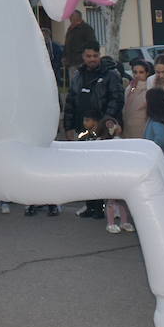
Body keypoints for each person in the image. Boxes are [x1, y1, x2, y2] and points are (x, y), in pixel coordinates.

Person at [62, 42, 124, 219]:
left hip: (104, 132)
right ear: (83, 57)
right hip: (83, 131)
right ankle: (91, 206)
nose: (92, 60)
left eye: (95, 56)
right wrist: (68, 127)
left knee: (105, 169)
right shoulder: (77, 76)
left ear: (99, 55)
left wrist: (104, 124)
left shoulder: (111, 75)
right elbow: (70, 103)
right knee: (86, 170)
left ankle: (108, 207)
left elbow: (117, 100)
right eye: (88, 56)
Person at [61, 10, 97, 86]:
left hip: (82, 61)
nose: (70, 19)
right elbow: (67, 44)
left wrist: (86, 56)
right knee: (74, 83)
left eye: (71, 16)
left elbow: (91, 44)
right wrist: (64, 56)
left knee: (83, 82)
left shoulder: (86, 29)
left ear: (78, 17)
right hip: (71, 61)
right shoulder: (70, 29)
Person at [123, 59, 153, 138]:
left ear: (147, 73)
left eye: (141, 72)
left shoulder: (150, 89)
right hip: (127, 128)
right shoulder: (130, 88)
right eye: (135, 72)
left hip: (143, 129)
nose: (137, 75)